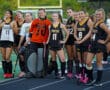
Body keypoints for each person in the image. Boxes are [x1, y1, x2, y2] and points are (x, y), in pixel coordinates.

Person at [85, 8, 110, 86]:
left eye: (99, 14)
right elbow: (91, 33)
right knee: (88, 62)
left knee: (99, 62)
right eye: (96, 14)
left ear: (102, 15)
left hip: (99, 45)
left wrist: (105, 42)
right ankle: (90, 79)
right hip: (93, 44)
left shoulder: (102, 24)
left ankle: (98, 81)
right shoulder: (94, 23)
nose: (98, 15)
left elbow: (109, 33)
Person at [28, 8, 51, 77]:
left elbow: (50, 32)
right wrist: (29, 39)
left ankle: (43, 71)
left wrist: (47, 41)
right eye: (39, 13)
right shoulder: (35, 21)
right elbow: (31, 31)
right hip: (34, 41)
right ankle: (32, 71)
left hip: (43, 42)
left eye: (42, 13)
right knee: (33, 56)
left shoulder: (48, 22)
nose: (40, 14)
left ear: (45, 13)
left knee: (43, 57)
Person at [48, 12, 69, 79]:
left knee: (62, 59)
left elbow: (67, 33)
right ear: (52, 17)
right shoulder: (50, 25)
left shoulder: (61, 25)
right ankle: (56, 73)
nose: (54, 17)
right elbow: (49, 35)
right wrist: (47, 41)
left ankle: (63, 74)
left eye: (56, 16)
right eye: (53, 16)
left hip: (58, 44)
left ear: (58, 17)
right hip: (51, 43)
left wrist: (64, 41)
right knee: (53, 59)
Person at [74, 10, 93, 83]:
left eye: (82, 13)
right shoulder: (77, 22)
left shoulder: (88, 21)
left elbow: (90, 33)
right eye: (79, 14)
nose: (80, 15)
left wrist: (82, 40)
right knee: (80, 60)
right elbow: (75, 33)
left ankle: (87, 76)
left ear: (85, 14)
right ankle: (82, 75)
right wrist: (77, 38)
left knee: (85, 60)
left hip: (86, 43)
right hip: (79, 43)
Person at [0, 10, 18, 78]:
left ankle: (10, 73)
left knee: (7, 57)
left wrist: (12, 27)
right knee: (4, 58)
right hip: (2, 40)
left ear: (11, 15)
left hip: (9, 40)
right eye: (6, 13)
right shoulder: (3, 21)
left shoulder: (13, 22)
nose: (6, 14)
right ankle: (5, 73)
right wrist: (4, 21)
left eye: (8, 13)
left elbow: (16, 32)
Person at [17, 12, 33, 77]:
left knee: (30, 57)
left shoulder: (34, 23)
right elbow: (22, 35)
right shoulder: (24, 25)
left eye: (28, 16)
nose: (27, 17)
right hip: (26, 44)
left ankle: (29, 71)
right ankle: (23, 70)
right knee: (20, 54)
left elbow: (33, 34)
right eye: (26, 16)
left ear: (31, 16)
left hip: (33, 43)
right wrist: (19, 44)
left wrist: (28, 40)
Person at [14, 11, 25, 77]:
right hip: (17, 40)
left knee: (24, 56)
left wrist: (18, 29)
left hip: (24, 40)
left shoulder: (25, 21)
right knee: (20, 56)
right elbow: (15, 32)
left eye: (19, 14)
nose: (18, 16)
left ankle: (25, 70)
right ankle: (22, 70)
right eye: (17, 15)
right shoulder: (15, 22)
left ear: (22, 15)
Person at [65, 8, 76, 78]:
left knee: (75, 56)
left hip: (74, 39)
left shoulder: (76, 19)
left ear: (73, 12)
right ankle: (70, 72)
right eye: (67, 12)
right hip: (68, 39)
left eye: (70, 12)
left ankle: (79, 72)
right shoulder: (68, 20)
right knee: (70, 56)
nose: (69, 13)